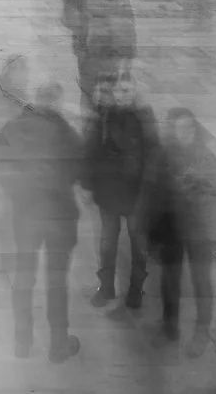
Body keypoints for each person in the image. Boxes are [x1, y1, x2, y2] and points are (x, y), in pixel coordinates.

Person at [0, 82, 84, 362]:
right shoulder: (66, 132)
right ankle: (57, 344)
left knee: (24, 277)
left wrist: (16, 192)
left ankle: (23, 341)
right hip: (58, 218)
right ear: (56, 102)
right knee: (56, 282)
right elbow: (80, 167)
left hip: (26, 216)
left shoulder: (15, 126)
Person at [137, 107, 216, 350]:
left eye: (190, 127)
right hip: (171, 229)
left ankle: (202, 331)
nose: (186, 132)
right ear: (172, 131)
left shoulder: (206, 158)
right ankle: (170, 327)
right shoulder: (161, 158)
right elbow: (150, 196)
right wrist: (148, 232)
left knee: (201, 281)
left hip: (201, 232)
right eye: (180, 128)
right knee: (170, 281)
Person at [84, 80, 159, 310]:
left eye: (127, 90)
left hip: (136, 193)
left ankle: (135, 289)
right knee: (108, 243)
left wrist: (148, 190)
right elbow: (92, 150)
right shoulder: (103, 116)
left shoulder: (144, 119)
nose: (120, 95)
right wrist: (89, 185)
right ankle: (106, 287)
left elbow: (153, 155)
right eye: (118, 90)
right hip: (109, 192)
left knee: (138, 243)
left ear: (135, 93)